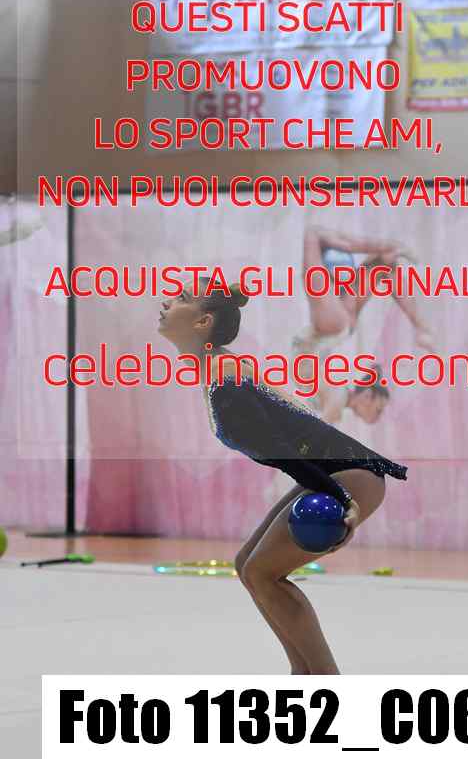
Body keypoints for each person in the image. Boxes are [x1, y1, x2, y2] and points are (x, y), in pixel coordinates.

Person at [158, 279, 408, 675]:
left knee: (262, 573)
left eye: (181, 299)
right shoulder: (219, 368)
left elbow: (283, 451)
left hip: (350, 476)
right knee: (248, 565)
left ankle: (326, 681)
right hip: (332, 472)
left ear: (203, 321)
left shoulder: (225, 379)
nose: (166, 302)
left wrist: (344, 499)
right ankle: (302, 673)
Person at [292, 226, 435, 423]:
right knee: (314, 235)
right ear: (367, 396)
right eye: (378, 410)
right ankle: (421, 327)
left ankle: (421, 327)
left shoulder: (338, 394)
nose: (377, 417)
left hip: (330, 334)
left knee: (383, 265)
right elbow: (316, 437)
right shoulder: (337, 398)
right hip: (328, 333)